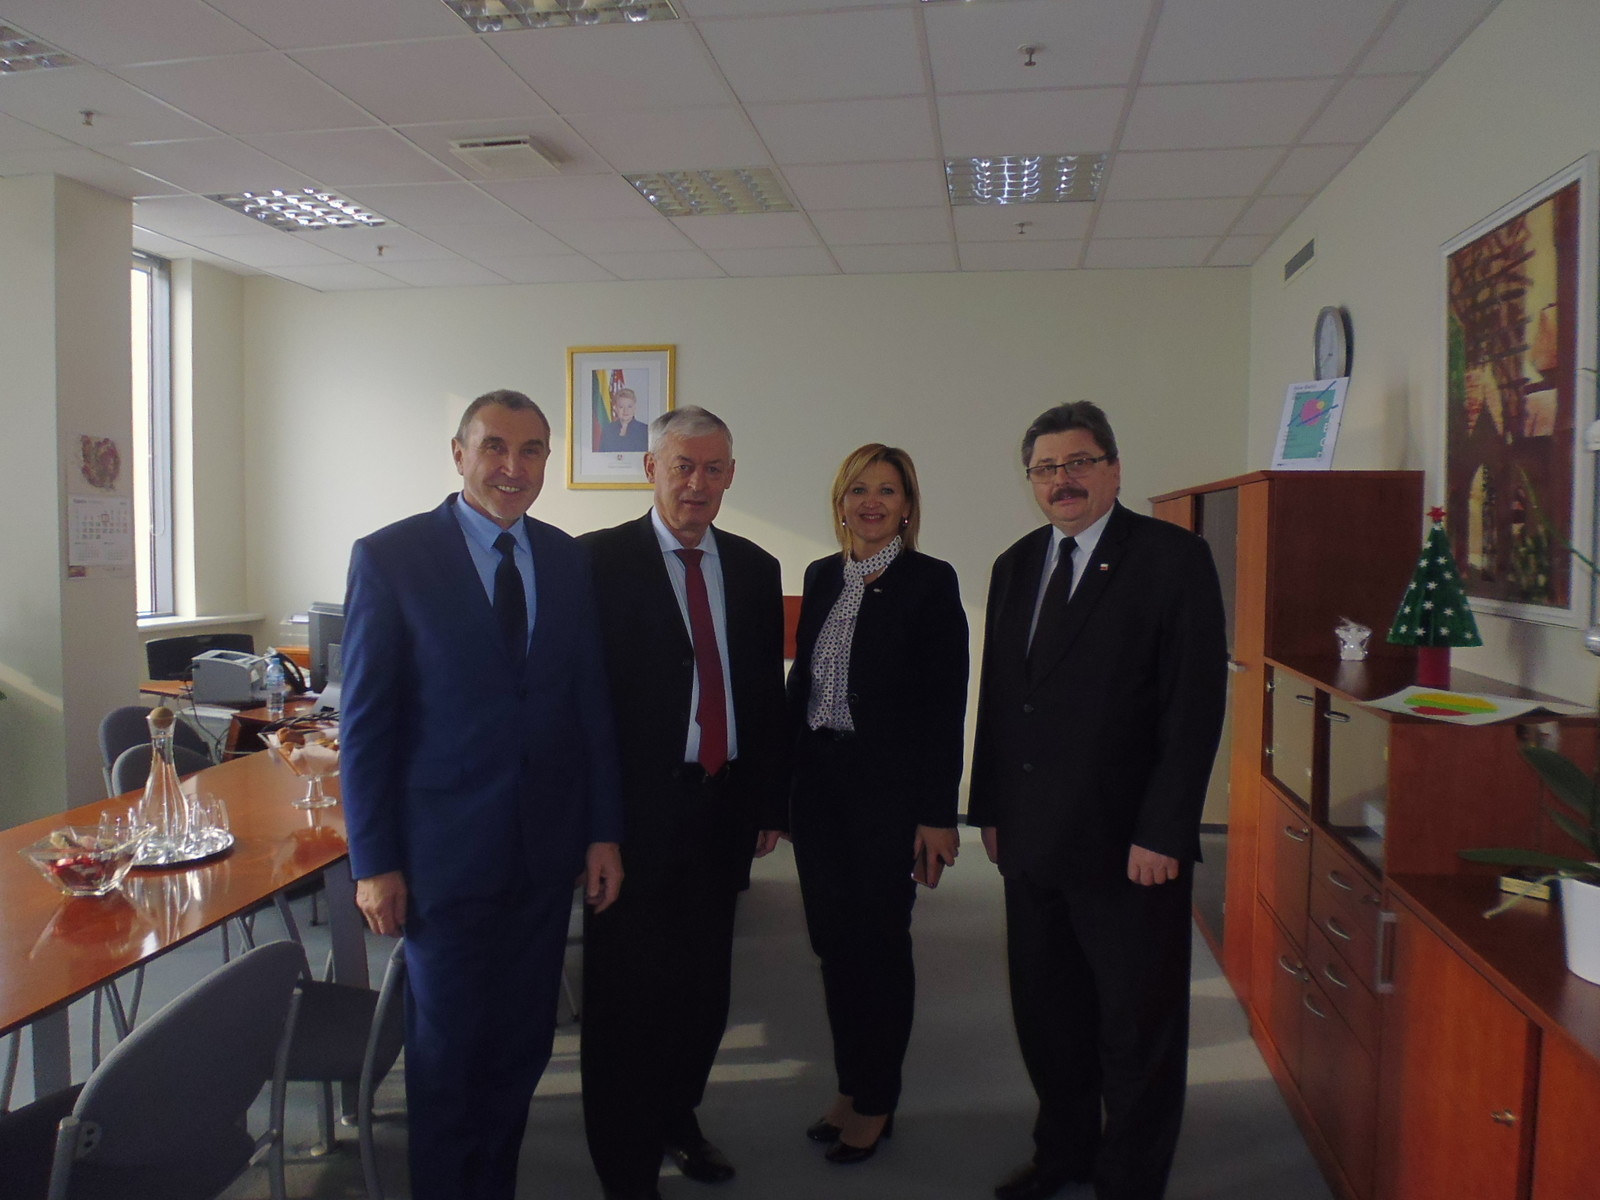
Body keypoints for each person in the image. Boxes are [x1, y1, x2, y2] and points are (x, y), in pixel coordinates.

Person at [340, 389, 625, 1200]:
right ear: (459, 453)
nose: (513, 466)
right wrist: (374, 862)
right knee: (446, 1054)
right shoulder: (392, 557)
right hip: (442, 860)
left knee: (520, 1048)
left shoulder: (566, 559)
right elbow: (366, 726)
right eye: (495, 446)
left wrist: (602, 831)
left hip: (543, 854)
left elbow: (589, 704)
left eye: (532, 450)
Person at [968, 402, 1227, 1200]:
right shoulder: (1015, 564)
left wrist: (1166, 831)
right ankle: (1065, 1153)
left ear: (1113, 469)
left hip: (1129, 848)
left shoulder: (1172, 559)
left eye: (1078, 463)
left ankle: (1130, 1179)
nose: (1062, 481)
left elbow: (1193, 706)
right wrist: (989, 810)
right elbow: (1003, 697)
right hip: (1032, 839)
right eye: (1045, 468)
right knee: (1049, 1018)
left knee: (1136, 1027)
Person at [578, 406, 789, 1200]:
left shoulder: (755, 567)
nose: (697, 484)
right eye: (682, 466)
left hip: (721, 809)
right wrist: (595, 826)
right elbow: (580, 707)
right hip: (632, 820)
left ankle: (678, 1117)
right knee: (625, 997)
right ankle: (625, 1165)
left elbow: (763, 693)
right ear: (651, 470)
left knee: (702, 991)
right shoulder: (595, 562)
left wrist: (769, 801)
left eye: (713, 469)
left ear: (730, 475)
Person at [787, 444, 968, 1164]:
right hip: (819, 790)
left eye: (887, 491)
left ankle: (877, 1098)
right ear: (840, 502)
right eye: (859, 489)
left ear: (908, 507)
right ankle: (851, 1084)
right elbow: (803, 687)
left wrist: (938, 814)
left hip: (887, 796)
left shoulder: (930, 582)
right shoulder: (821, 576)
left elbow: (944, 704)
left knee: (879, 946)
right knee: (834, 947)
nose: (871, 502)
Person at [598, 387, 648, 452]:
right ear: (615, 408)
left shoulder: (644, 430)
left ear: (634, 408)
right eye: (621, 407)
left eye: (629, 407)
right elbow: (603, 454)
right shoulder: (608, 430)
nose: (625, 411)